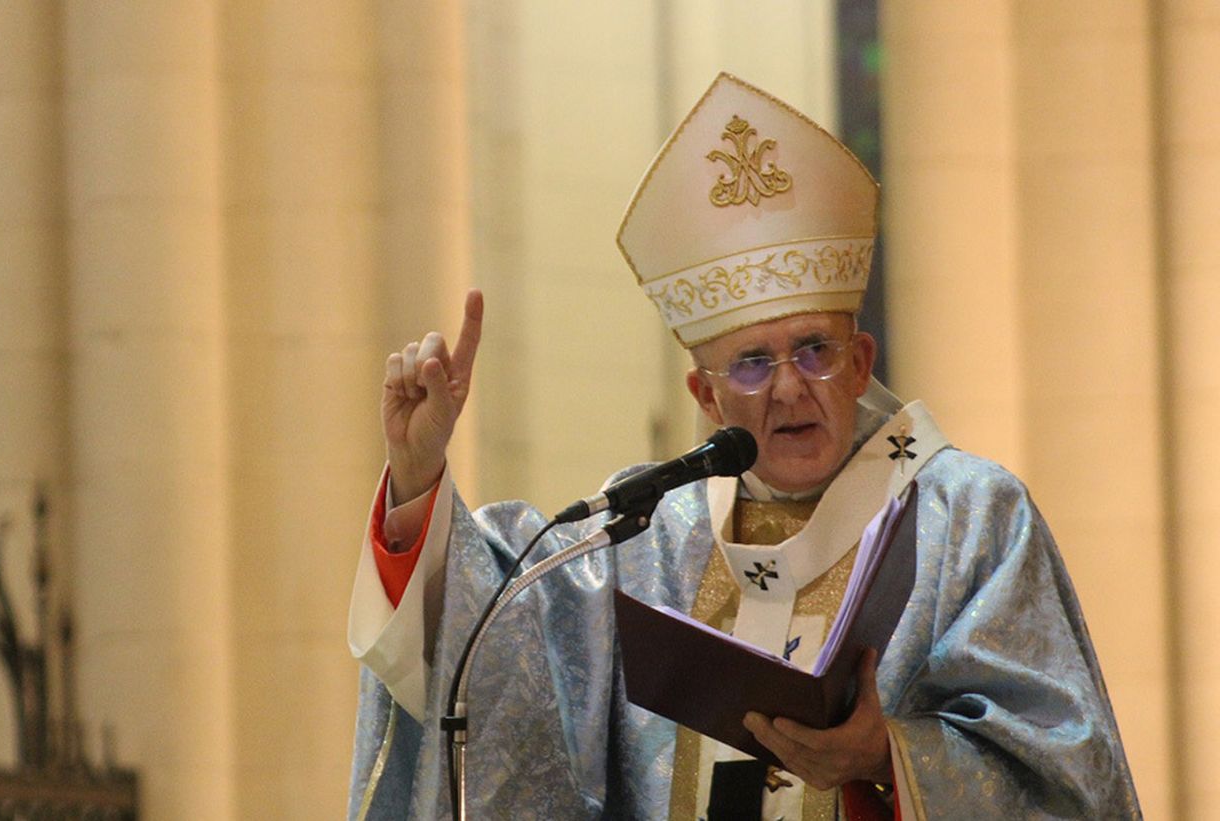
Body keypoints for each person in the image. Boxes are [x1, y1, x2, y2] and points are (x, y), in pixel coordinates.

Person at [346, 73, 1140, 819]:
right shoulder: (648, 532)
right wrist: (418, 476)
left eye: (815, 350)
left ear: (861, 363)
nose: (791, 386)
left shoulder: (969, 518)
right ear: (705, 395)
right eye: (753, 364)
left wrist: (888, 753)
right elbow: (504, 650)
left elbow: (1068, 771)